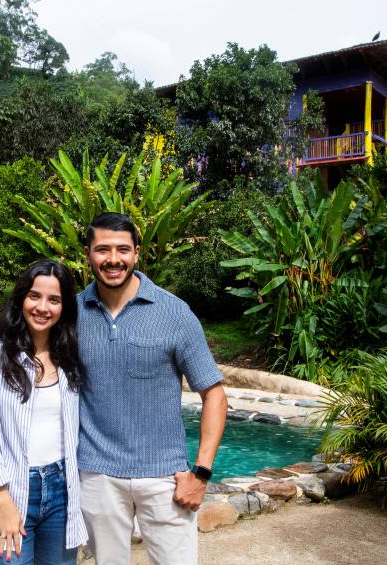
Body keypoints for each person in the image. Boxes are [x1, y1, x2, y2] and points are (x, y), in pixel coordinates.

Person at [77, 212, 228, 565]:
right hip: (97, 474)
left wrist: (202, 473)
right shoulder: (71, 313)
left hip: (166, 476)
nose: (113, 259)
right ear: (88, 253)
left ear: (137, 253)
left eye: (122, 249)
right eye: (102, 249)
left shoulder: (175, 313)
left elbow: (215, 395)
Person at [0, 259, 87, 564]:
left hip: (62, 491)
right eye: (35, 296)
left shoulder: (71, 360)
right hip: (11, 490)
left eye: (54, 300)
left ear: (64, 308)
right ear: (21, 300)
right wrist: (3, 501)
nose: (43, 307)